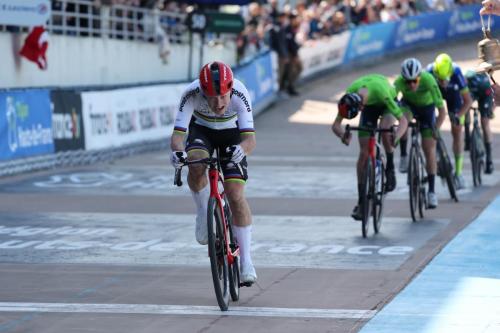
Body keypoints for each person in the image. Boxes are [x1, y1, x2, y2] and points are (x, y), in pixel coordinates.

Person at [170, 61, 257, 284]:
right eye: (212, 98)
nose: (218, 103)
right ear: (202, 92)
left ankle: (246, 261)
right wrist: (178, 153)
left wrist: (241, 149)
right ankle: (202, 212)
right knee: (196, 164)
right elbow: (178, 137)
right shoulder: (191, 93)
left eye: (223, 97)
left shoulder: (239, 92)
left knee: (235, 195)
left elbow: (250, 140)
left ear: (230, 90)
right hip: (203, 132)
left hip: (232, 134)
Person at [332, 74, 408, 221]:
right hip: (370, 107)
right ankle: (362, 201)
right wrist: (343, 135)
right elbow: (335, 125)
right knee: (364, 153)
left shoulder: (382, 93)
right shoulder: (349, 96)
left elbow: (403, 121)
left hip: (386, 101)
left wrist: (397, 136)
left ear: (360, 106)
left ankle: (390, 167)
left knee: (385, 128)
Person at [395, 58, 446, 209]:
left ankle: (431, 191)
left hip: (427, 109)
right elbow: (391, 102)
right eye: (408, 81)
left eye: (414, 81)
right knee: (403, 121)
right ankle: (404, 155)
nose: (411, 84)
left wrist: (435, 128)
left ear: (420, 77)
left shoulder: (429, 80)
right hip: (409, 106)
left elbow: (442, 111)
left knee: (428, 148)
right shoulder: (398, 82)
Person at [427, 53, 473, 190]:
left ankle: (458, 174)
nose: (443, 82)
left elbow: (468, 101)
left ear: (450, 73)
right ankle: (435, 160)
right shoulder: (428, 72)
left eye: (445, 79)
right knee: (430, 131)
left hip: (454, 96)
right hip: (435, 96)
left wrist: (458, 116)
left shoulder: (456, 72)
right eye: (440, 79)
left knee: (457, 130)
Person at [465, 70, 495, 174]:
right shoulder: (465, 85)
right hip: (474, 94)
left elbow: (490, 98)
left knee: (484, 122)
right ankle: (467, 138)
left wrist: (488, 111)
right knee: (465, 108)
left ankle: (489, 159)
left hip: (485, 95)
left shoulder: (483, 83)